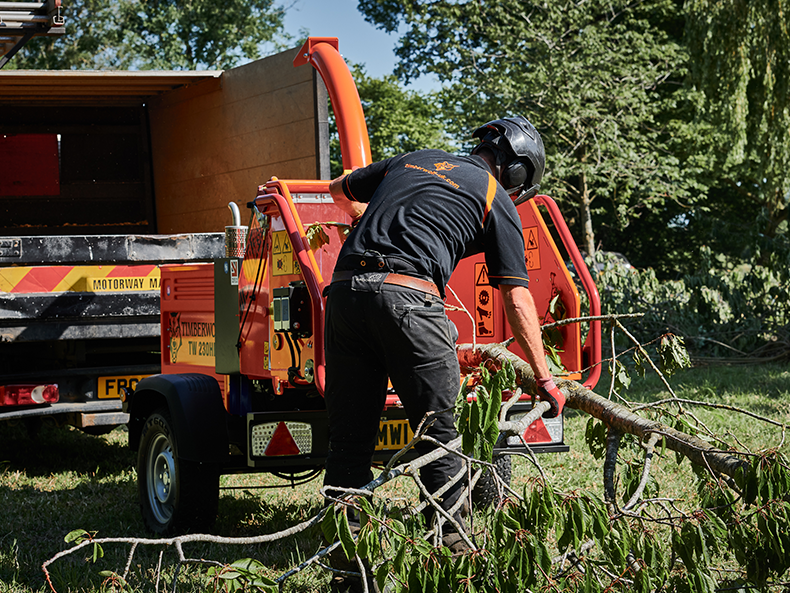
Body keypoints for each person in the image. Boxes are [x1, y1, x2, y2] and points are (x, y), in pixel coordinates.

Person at [322, 115, 566, 549]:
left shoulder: (415, 160)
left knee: (347, 444)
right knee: (439, 437)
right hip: (409, 301)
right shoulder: (495, 197)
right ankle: (452, 556)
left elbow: (338, 188)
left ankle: (345, 566)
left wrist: (367, 219)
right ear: (516, 172)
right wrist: (544, 378)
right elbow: (517, 298)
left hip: (343, 296)